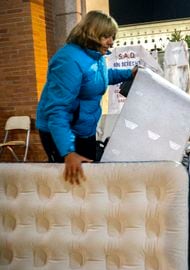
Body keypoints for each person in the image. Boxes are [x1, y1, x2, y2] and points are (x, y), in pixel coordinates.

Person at [36, 10, 138, 185]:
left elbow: (101, 78)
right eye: (106, 36)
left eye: (112, 36)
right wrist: (68, 152)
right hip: (62, 131)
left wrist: (130, 73)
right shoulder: (69, 60)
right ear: (92, 33)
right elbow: (58, 110)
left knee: (88, 180)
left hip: (84, 129)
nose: (111, 41)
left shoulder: (96, 57)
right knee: (71, 184)